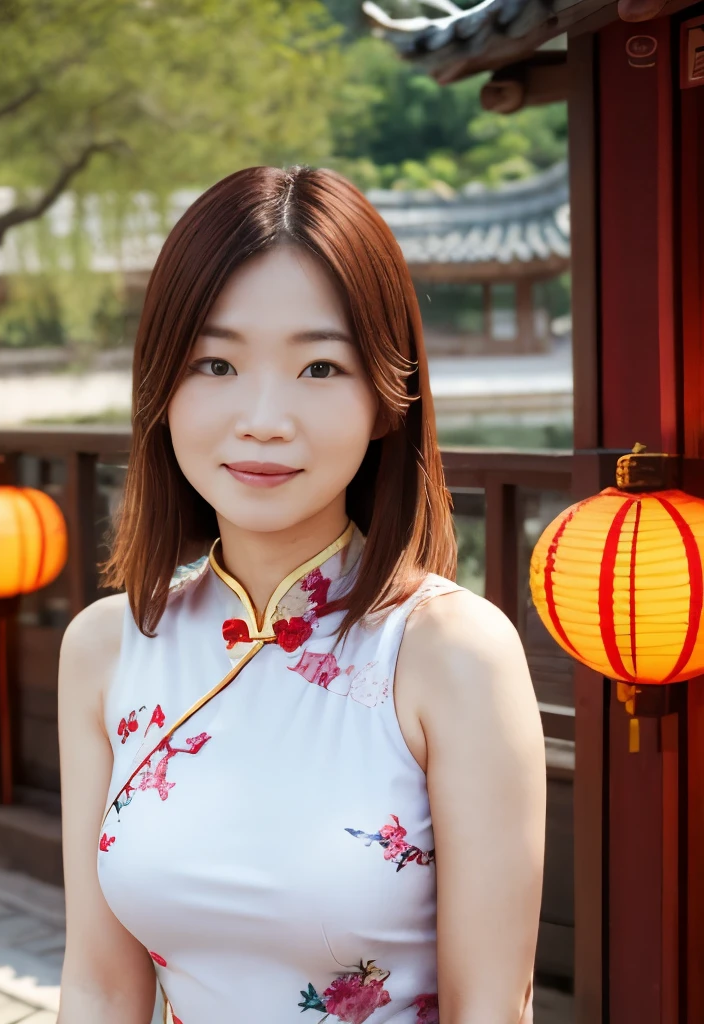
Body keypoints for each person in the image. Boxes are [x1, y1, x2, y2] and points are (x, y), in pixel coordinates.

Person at [56, 165, 546, 1024]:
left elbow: (493, 1010)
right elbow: (99, 987)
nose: (264, 417)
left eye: (320, 367)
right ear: (160, 384)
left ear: (387, 399)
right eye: (215, 362)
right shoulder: (109, 647)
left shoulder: (450, 655)